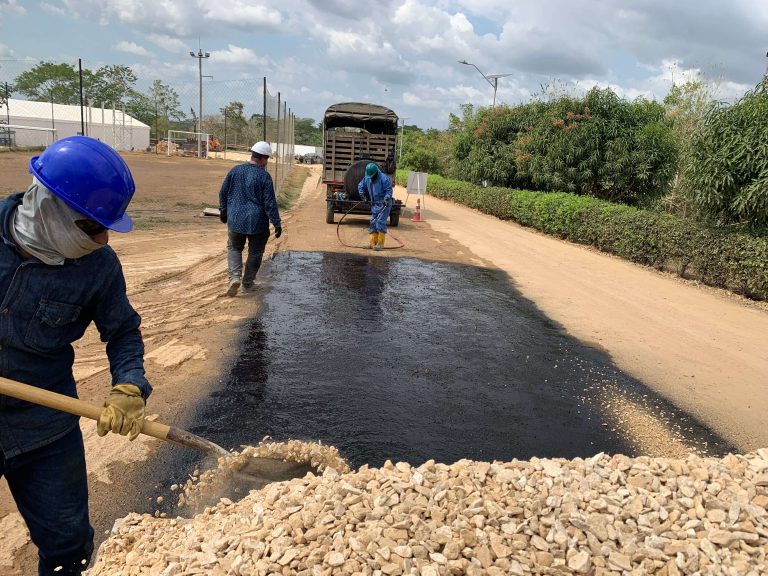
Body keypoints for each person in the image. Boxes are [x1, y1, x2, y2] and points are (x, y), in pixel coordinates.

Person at [0, 136, 152, 575]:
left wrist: (129, 384)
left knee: (69, 547)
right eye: (91, 226)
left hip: (45, 427)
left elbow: (123, 331)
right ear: (49, 206)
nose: (103, 239)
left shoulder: (99, 267)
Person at [218, 141, 282, 296]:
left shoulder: (235, 171)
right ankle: (247, 283)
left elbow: (223, 193)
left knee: (234, 247)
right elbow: (269, 202)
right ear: (262, 158)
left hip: (235, 219)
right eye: (267, 159)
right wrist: (276, 222)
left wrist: (223, 211)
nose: (266, 162)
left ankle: (234, 278)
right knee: (255, 252)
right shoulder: (264, 176)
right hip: (257, 222)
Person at [358, 162, 393, 251]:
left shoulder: (384, 179)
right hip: (374, 204)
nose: (371, 178)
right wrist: (363, 196)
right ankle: (373, 243)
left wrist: (386, 198)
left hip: (384, 204)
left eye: (372, 176)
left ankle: (380, 244)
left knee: (380, 222)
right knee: (373, 222)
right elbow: (360, 186)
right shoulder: (367, 177)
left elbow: (389, 190)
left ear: (376, 173)